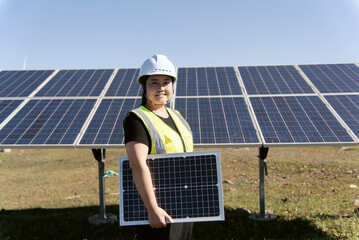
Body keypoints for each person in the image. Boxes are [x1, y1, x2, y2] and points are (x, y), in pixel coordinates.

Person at [123, 54, 194, 240]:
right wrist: (152, 208)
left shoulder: (177, 115)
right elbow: (138, 165)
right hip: (157, 207)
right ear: (144, 86)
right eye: (154, 82)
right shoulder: (137, 119)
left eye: (166, 82)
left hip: (183, 204)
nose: (161, 88)